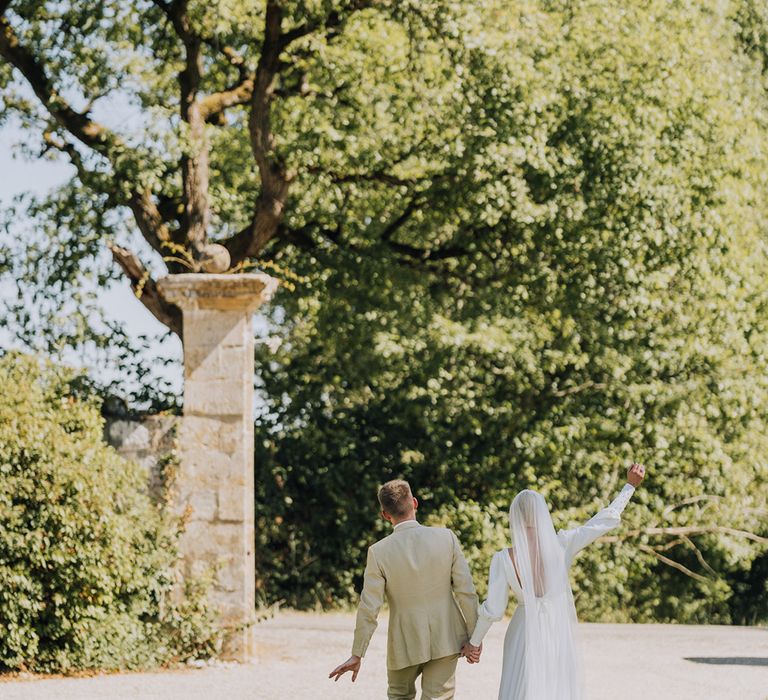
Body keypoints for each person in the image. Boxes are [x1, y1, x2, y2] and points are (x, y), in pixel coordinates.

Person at [462, 462, 646, 699]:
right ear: (542, 514)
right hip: (556, 630)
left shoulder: (503, 558)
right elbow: (602, 522)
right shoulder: (562, 544)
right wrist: (629, 486)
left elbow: (493, 609)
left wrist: (474, 643)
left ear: (515, 517)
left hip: (523, 631)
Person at [329, 479, 478, 700]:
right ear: (415, 503)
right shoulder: (446, 538)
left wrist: (357, 653)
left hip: (403, 643)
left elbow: (369, 608)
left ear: (385, 515)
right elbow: (466, 591)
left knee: (399, 696)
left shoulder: (378, 552)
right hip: (446, 638)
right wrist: (474, 638)